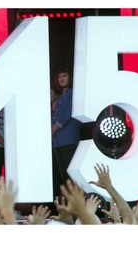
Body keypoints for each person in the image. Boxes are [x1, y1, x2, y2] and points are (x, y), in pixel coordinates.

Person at [51, 68, 81, 197]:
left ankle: (78, 208)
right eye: (59, 76)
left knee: (70, 176)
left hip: (68, 139)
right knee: (63, 176)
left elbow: (67, 115)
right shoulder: (60, 96)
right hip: (57, 141)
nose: (62, 79)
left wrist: (53, 129)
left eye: (65, 76)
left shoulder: (73, 94)